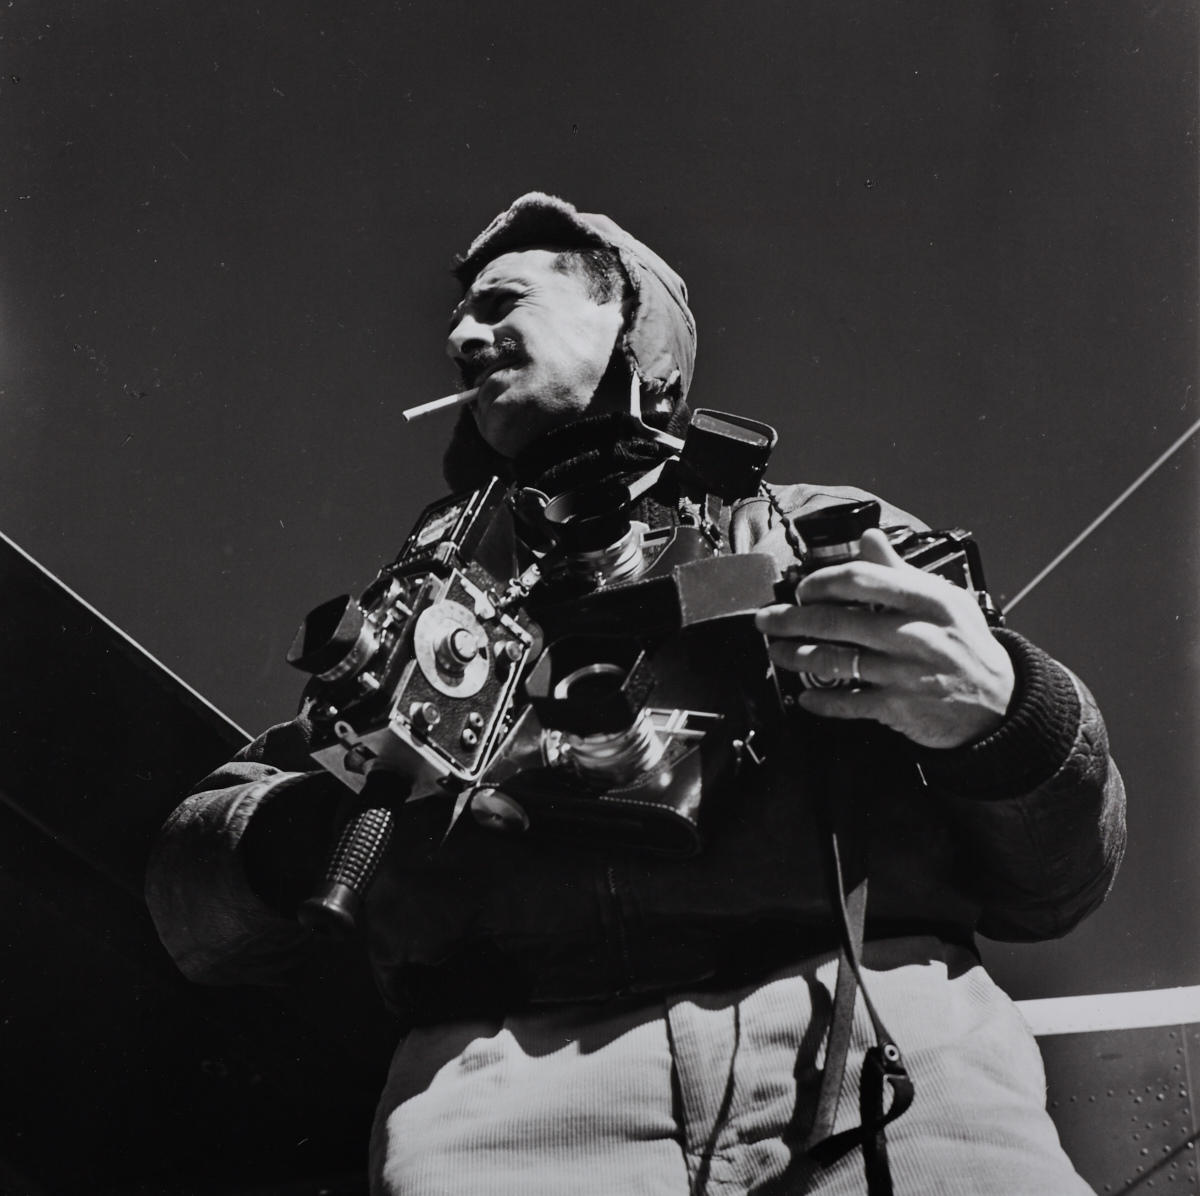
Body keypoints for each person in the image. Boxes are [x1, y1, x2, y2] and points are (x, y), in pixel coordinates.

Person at [147, 193, 1125, 1195]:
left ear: (628, 326)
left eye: (500, 303)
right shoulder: (420, 617)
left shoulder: (818, 530)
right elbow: (197, 901)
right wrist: (323, 811)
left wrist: (1008, 712)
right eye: (456, 320)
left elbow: (1061, 877)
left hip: (871, 1049)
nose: (459, 337)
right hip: (507, 1099)